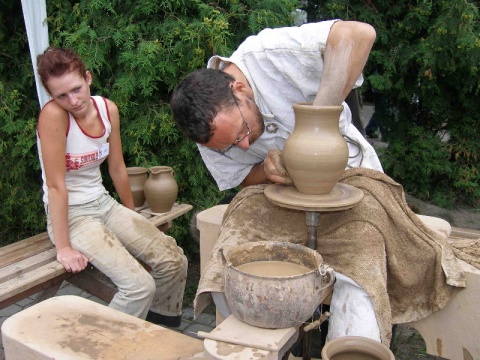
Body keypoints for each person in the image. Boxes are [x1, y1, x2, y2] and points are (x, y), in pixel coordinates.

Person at [170, 20, 468, 347]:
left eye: (241, 134)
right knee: (233, 251)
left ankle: (352, 346)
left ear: (239, 90)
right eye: (230, 145)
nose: (241, 146)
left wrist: (318, 121)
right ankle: (257, 344)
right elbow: (242, 179)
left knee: (360, 262)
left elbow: (359, 34)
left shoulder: (270, 54)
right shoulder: (205, 130)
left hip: (349, 177)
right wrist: (265, 170)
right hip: (280, 194)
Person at [36, 47, 187, 327]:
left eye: (76, 89)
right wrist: (64, 247)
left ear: (88, 78)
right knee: (139, 287)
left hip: (104, 204)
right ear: (52, 97)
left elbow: (117, 167)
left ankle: (156, 328)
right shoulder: (53, 117)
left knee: (173, 261)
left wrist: (131, 215)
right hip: (73, 216)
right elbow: (56, 187)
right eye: (61, 96)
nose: (72, 100)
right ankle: (101, 348)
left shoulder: (107, 109)